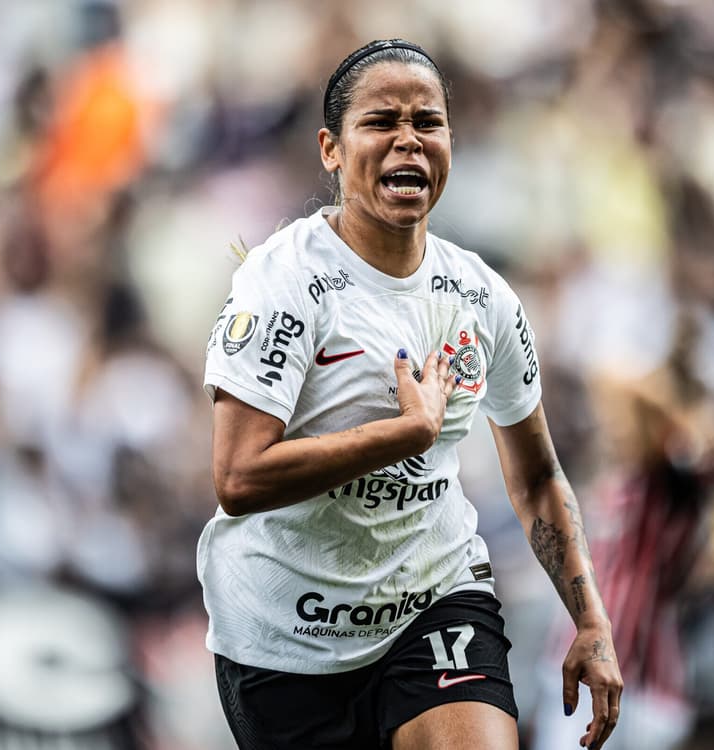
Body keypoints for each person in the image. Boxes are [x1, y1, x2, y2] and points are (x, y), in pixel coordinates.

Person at [198, 39, 623, 749]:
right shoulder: (285, 283)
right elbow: (239, 477)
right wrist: (405, 434)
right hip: (282, 637)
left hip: (432, 604)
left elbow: (539, 474)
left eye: (428, 122)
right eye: (382, 121)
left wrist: (590, 618)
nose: (408, 140)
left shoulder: (482, 297)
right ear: (332, 149)